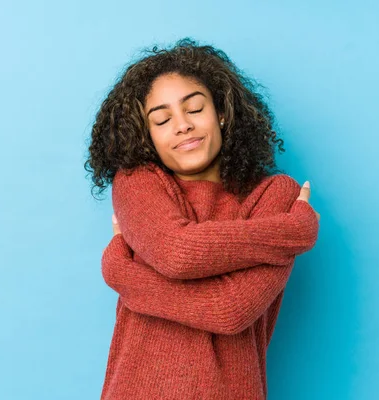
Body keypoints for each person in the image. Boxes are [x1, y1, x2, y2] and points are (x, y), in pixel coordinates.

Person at [84, 37, 321, 399]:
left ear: (222, 113)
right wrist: (293, 230)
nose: (182, 125)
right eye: (162, 119)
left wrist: (125, 275)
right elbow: (177, 252)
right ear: (148, 136)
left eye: (194, 109)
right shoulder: (139, 181)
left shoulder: (274, 195)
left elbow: (230, 311)